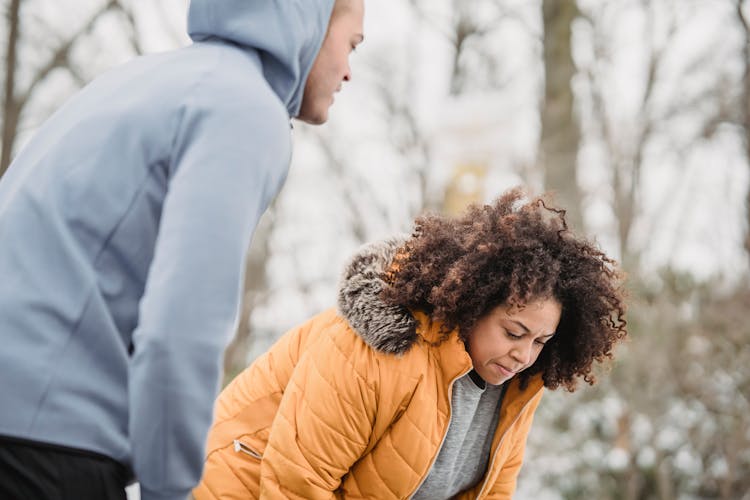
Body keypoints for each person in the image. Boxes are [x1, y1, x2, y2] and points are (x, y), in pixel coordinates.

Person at [0, 0, 365, 499]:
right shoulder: (241, 108)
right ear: (311, 20)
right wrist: (168, 489)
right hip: (46, 445)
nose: (348, 73)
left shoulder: (138, 80)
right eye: (351, 45)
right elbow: (181, 328)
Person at [193, 188, 628, 499]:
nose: (525, 353)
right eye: (513, 332)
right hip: (235, 485)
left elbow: (491, 492)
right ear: (471, 306)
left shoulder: (517, 381)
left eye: (541, 341)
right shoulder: (377, 350)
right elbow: (295, 484)